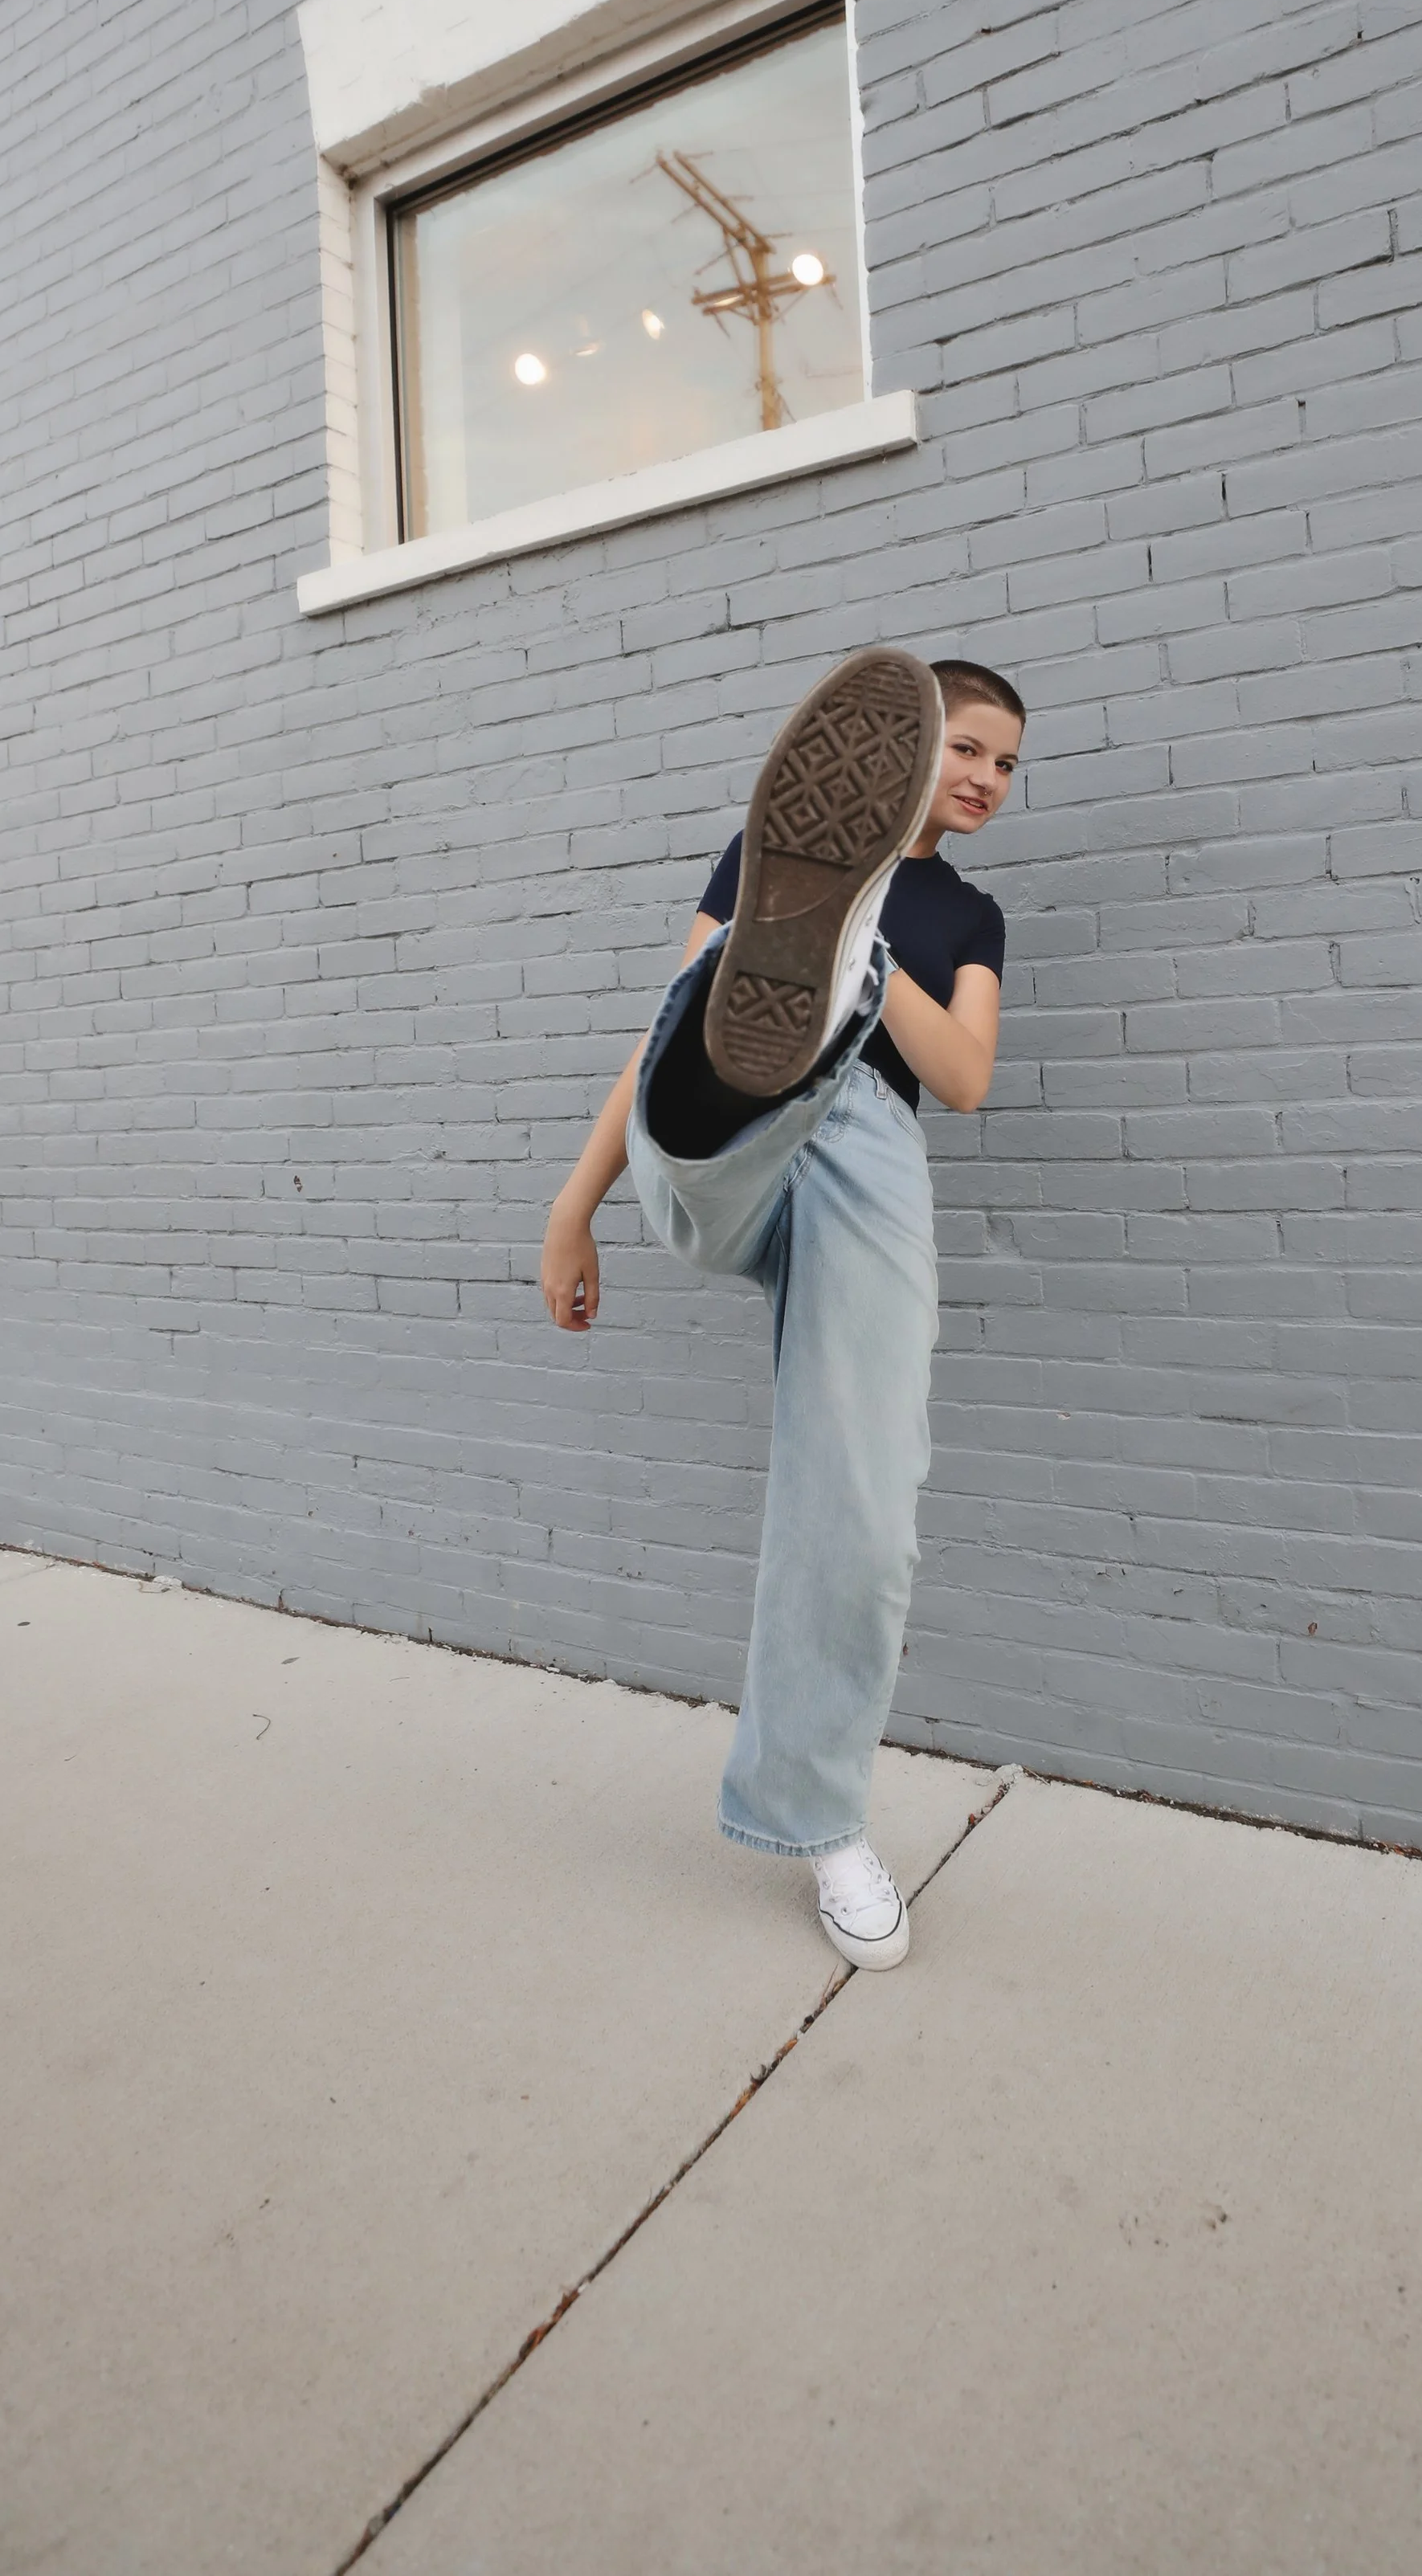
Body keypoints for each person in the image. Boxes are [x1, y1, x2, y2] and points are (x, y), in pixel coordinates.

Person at [540, 647, 1026, 1968]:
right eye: (967, 745)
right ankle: (770, 1021)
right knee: (709, 1045)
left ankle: (819, 1818)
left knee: (862, 1504)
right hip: (734, 1117)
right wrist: (572, 1209)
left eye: (1005, 764)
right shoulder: (766, 851)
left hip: (868, 1140)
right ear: (908, 743)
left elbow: (966, 1075)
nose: (984, 777)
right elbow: (649, 1037)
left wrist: (865, 949)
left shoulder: (968, 918)